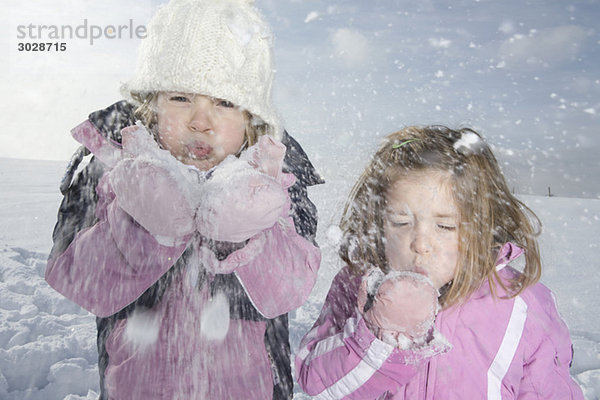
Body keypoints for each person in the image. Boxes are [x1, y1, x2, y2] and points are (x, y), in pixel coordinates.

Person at [45, 0, 323, 398]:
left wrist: (243, 235)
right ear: (151, 104)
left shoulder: (275, 178)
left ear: (252, 120)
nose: (200, 121)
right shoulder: (115, 167)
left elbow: (293, 285)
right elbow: (76, 279)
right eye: (181, 98)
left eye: (225, 103)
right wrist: (142, 227)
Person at [295, 125, 583, 399]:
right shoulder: (358, 286)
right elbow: (316, 383)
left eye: (445, 227)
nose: (420, 244)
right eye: (401, 221)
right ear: (378, 222)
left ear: (483, 228)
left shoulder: (521, 303)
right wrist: (379, 335)